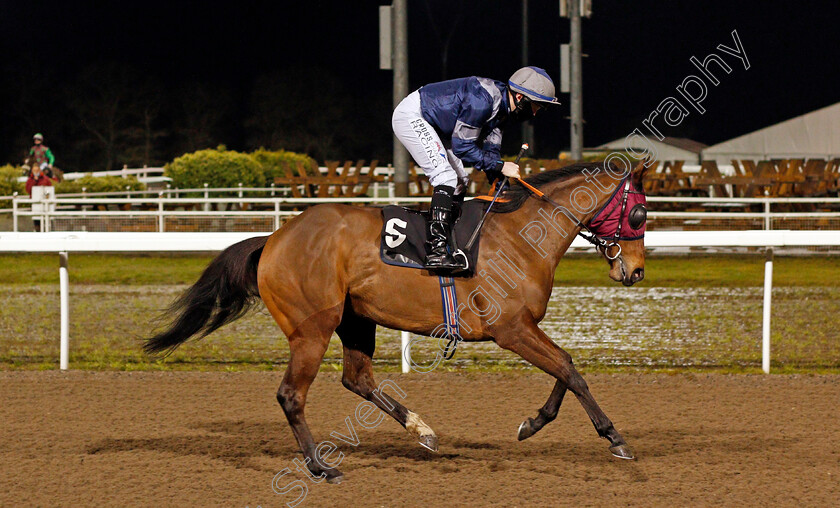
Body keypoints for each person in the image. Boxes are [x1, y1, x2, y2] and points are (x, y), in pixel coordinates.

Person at [392, 66, 560, 271]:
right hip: (413, 116)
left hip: (437, 126)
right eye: (535, 106)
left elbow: (490, 151)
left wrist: (496, 175)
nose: (534, 113)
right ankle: (436, 252)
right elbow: (463, 148)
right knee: (445, 177)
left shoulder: (503, 110)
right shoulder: (482, 101)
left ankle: (449, 243)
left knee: (461, 181)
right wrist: (500, 166)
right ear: (519, 97)